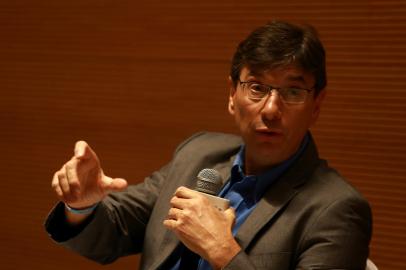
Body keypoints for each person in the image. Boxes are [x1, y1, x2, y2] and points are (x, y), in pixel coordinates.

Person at [45, 21, 372, 270]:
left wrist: (223, 253)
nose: (271, 109)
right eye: (256, 87)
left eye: (293, 92)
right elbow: (115, 228)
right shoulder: (198, 153)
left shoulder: (337, 209)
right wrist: (82, 206)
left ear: (316, 105)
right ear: (232, 95)